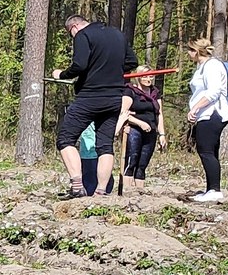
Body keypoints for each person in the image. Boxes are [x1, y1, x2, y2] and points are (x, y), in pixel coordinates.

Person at [50, 14, 136, 198]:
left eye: (70, 34)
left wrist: (62, 74)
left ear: (74, 27)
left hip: (89, 97)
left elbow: (79, 65)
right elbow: (132, 62)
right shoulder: (117, 34)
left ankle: (77, 187)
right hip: (114, 97)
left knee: (65, 139)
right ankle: (101, 191)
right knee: (105, 145)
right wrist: (111, 71)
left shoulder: (83, 35)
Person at [184, 38, 228, 203]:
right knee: (210, 151)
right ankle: (211, 188)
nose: (188, 54)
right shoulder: (202, 67)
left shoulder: (212, 66)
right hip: (205, 114)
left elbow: (213, 92)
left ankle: (214, 190)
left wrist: (195, 108)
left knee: (205, 150)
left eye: (190, 50)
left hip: (212, 113)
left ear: (197, 51)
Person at [120, 78, 164, 187]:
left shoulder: (155, 93)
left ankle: (140, 191)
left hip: (151, 131)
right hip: (134, 129)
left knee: (142, 164)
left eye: (150, 77)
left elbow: (159, 114)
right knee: (131, 161)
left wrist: (162, 134)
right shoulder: (131, 91)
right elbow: (123, 113)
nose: (148, 79)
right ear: (139, 78)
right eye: (145, 76)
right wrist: (140, 123)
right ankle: (127, 190)